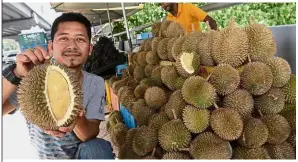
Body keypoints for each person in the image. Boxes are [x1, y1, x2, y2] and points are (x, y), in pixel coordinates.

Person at [2, 12, 115, 159]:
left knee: (97, 148)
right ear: (51, 47)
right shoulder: (32, 77)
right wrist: (16, 73)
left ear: (90, 49)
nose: (72, 46)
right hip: (48, 157)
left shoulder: (95, 83)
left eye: (80, 39)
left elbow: (90, 133)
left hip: (81, 153)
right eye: (64, 38)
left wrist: (76, 118)